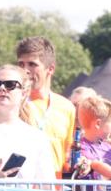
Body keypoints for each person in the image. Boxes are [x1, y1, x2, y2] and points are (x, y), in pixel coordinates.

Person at [17, 37, 76, 178]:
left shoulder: (67, 107)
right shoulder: (13, 104)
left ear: (50, 69)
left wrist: (81, 163)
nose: (25, 70)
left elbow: (66, 156)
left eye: (32, 64)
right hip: (20, 188)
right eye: (21, 64)